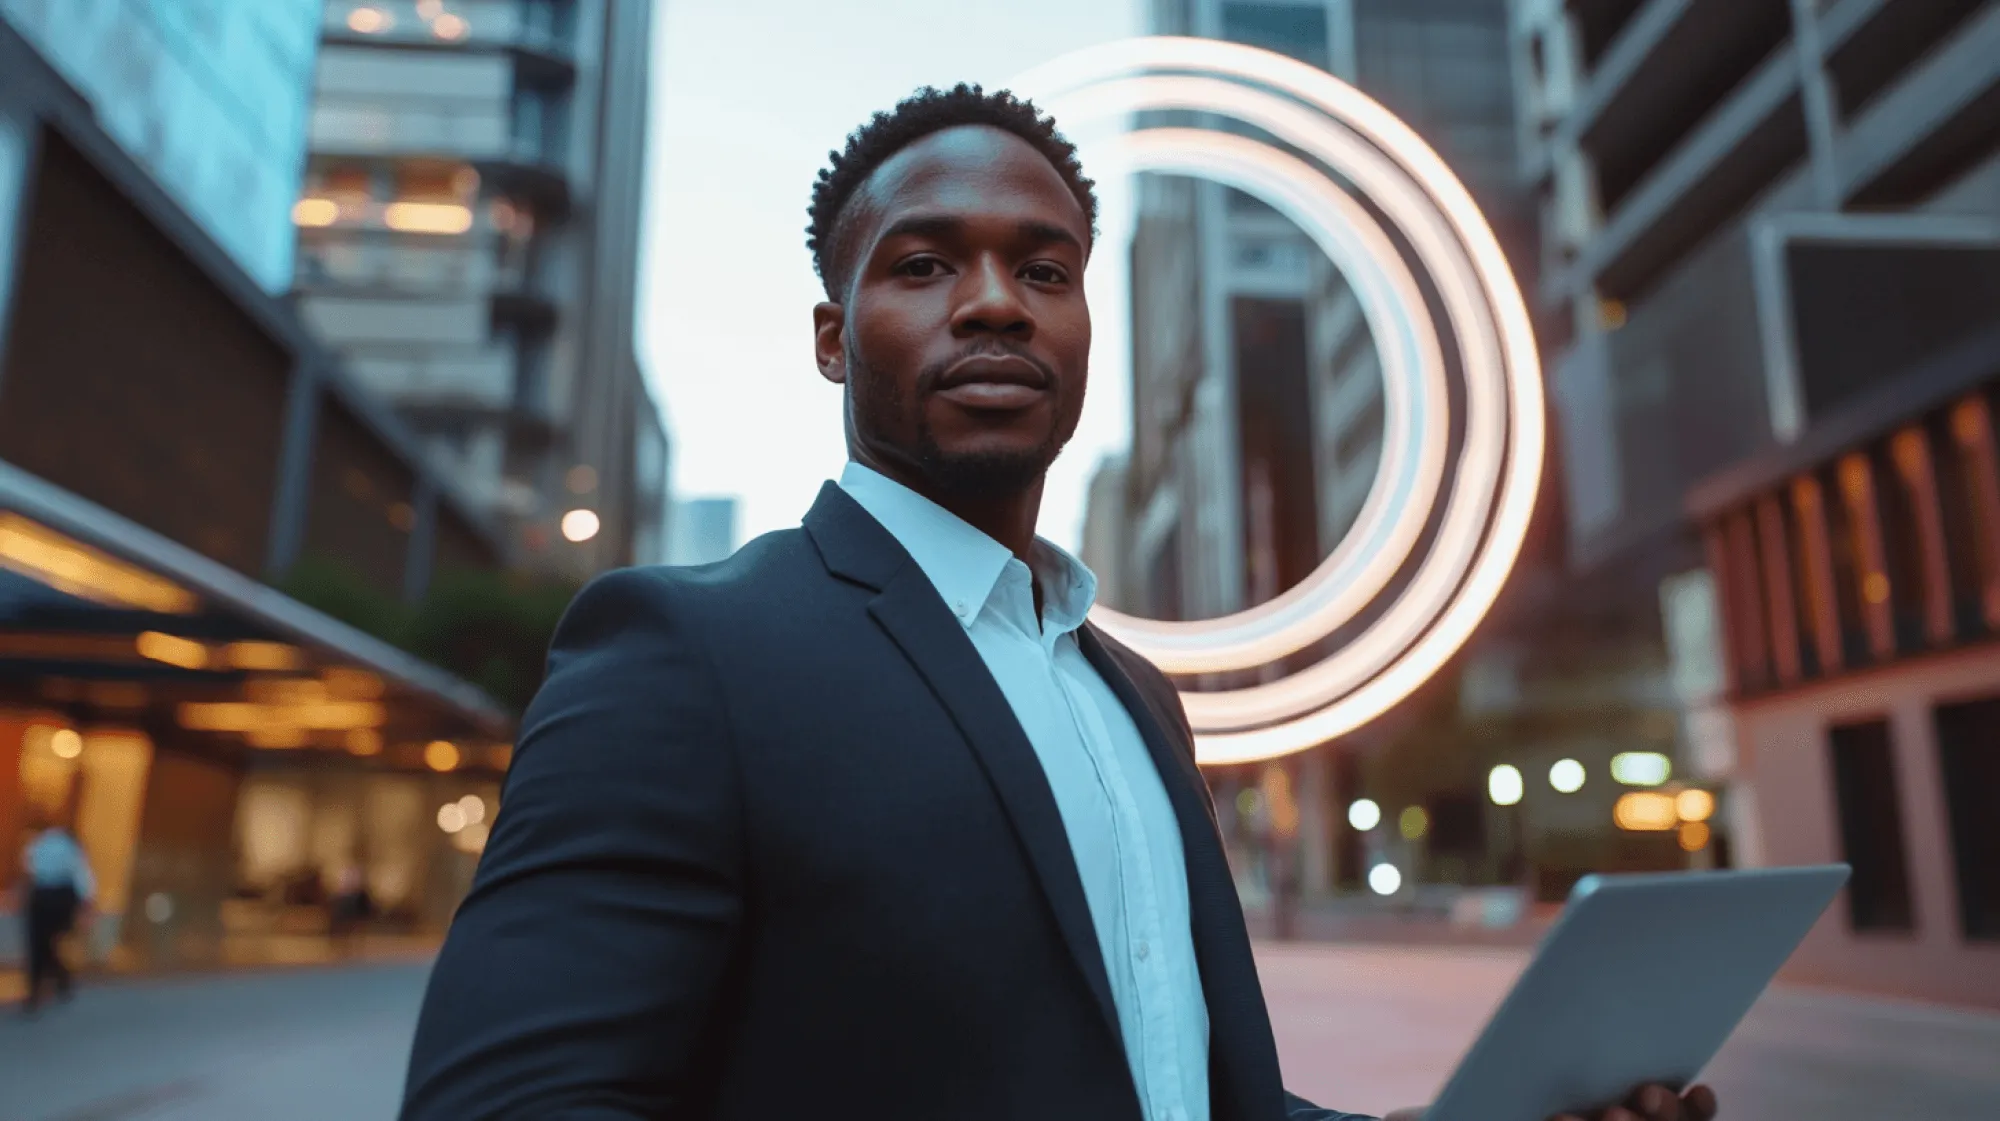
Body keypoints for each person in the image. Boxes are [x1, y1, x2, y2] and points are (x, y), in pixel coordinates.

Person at [401, 86, 1721, 1121]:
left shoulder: (1134, 699)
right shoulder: (684, 655)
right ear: (828, 338)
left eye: (1045, 272)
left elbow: (1187, 1097)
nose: (995, 305)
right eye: (924, 266)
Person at [18, 814, 94, 1013]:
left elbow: (29, 870)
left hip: (42, 893)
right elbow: (81, 873)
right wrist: (87, 902)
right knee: (49, 942)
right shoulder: (69, 843)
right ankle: (60, 978)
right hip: (63, 895)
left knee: (38, 943)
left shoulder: (36, 842)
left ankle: (40, 988)